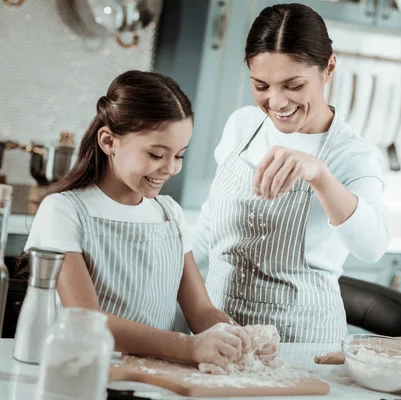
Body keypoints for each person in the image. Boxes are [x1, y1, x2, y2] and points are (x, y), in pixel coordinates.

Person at [21, 70, 253, 368]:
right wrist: (189, 347)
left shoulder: (170, 214)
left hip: (155, 375)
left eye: (180, 155)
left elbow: (201, 311)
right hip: (79, 373)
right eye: (156, 154)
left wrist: (237, 339)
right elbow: (85, 322)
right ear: (108, 142)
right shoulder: (63, 211)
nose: (170, 168)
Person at [192, 3, 391, 344]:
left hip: (300, 343)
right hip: (218, 331)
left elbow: (372, 247)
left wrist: (320, 177)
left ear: (328, 68)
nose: (277, 102)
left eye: (293, 86)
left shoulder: (354, 157)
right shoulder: (242, 125)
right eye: (261, 86)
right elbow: (209, 228)